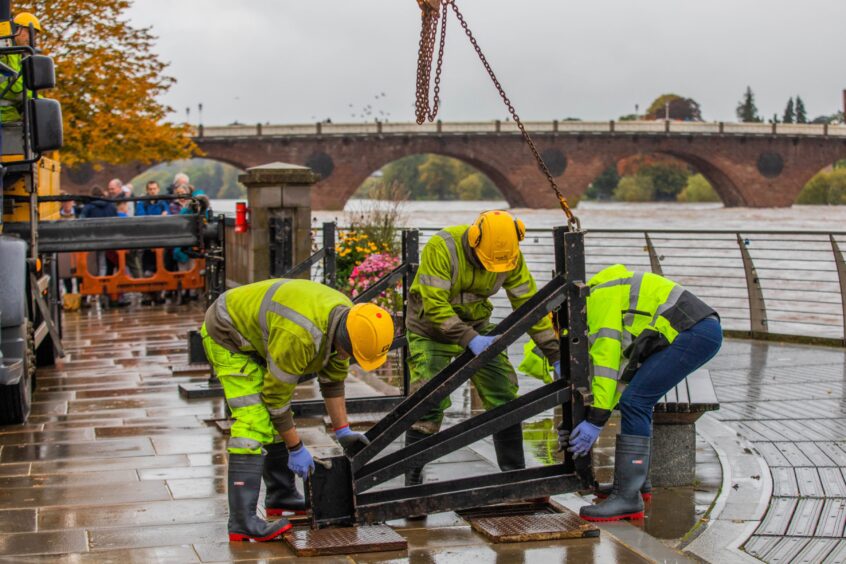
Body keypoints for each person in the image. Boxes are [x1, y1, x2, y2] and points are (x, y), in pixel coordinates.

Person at [201, 279, 395, 542]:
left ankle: (281, 495)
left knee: (277, 418)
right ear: (345, 340)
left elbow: (333, 378)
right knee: (254, 421)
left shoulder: (350, 319)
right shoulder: (300, 336)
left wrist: (343, 431)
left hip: (260, 334)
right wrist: (295, 448)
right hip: (227, 334)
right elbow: (275, 399)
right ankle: (241, 522)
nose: (351, 359)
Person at [404, 210, 560, 490]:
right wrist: (469, 339)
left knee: (503, 391)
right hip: (430, 330)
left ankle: (514, 476)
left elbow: (529, 306)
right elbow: (435, 306)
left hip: (477, 325)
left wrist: (555, 353)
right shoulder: (442, 248)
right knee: (427, 398)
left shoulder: (510, 255)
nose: (493, 271)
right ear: (474, 241)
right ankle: (413, 479)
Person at [559, 264, 722, 522]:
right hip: (697, 329)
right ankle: (637, 487)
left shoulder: (599, 301)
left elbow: (607, 363)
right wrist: (590, 416)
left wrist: (596, 420)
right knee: (635, 399)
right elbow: (622, 371)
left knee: (636, 401)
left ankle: (627, 498)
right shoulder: (600, 293)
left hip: (694, 332)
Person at [0, 12, 41, 124]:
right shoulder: (5, 52)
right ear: (16, 29)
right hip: (4, 118)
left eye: (35, 35)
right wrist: (37, 99)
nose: (33, 38)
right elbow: (15, 88)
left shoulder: (19, 55)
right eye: (30, 32)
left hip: (10, 117)